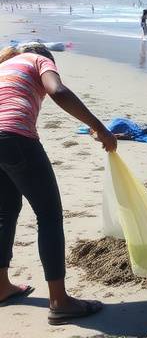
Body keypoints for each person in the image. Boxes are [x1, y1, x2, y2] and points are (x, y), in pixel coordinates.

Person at [0, 43, 117, 324]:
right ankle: (60, 301)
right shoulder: (39, 61)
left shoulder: (4, 66)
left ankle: (1, 286)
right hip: (15, 137)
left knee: (4, 213)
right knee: (49, 216)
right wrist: (101, 129)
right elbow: (58, 91)